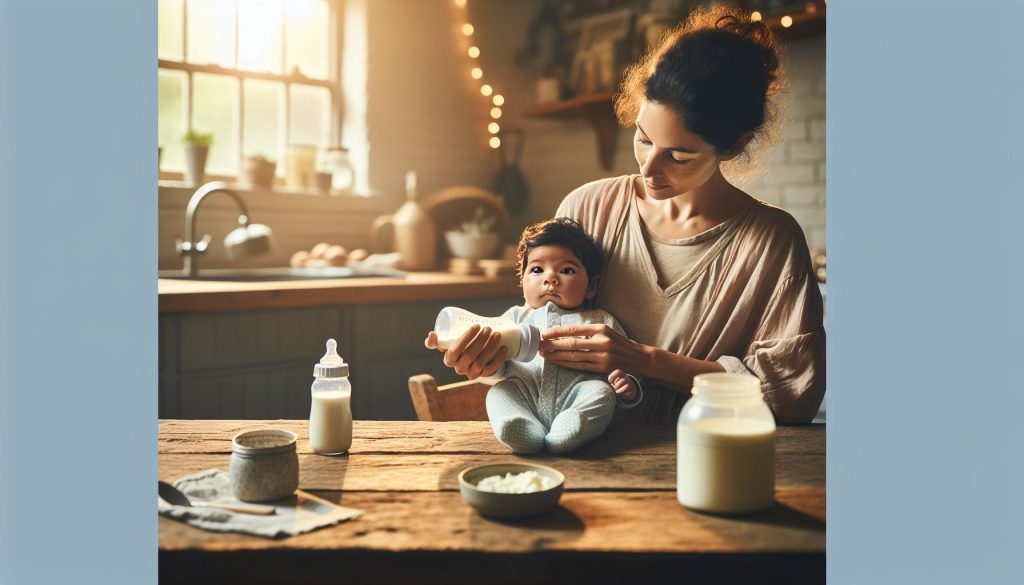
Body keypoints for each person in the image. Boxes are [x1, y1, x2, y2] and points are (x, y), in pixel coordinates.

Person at [427, 5, 824, 425]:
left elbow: (791, 397)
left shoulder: (770, 242)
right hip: (584, 455)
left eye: (679, 156)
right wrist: (493, 361)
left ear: (734, 146)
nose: (649, 169)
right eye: (643, 138)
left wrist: (645, 360)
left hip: (702, 458)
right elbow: (544, 349)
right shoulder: (587, 208)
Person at [443, 218, 642, 454]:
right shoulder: (513, 319)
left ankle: (574, 427)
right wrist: (487, 365)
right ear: (523, 280)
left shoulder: (600, 321)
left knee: (601, 393)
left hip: (577, 394)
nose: (550, 278)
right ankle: (517, 426)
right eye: (537, 270)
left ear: (592, 287)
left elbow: (625, 362)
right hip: (525, 394)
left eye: (566, 270)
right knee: (499, 392)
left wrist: (628, 386)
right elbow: (497, 366)